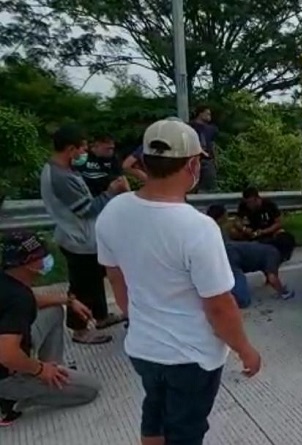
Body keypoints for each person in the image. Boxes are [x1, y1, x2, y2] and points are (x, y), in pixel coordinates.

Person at [95, 118, 262, 445]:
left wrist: (140, 320)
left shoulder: (114, 211)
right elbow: (219, 306)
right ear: (192, 164)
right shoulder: (197, 228)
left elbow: (116, 279)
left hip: (143, 349)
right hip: (191, 358)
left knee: (154, 412)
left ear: (145, 161)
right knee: (185, 430)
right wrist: (245, 349)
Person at [0, 232, 101, 426]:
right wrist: (39, 370)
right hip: (6, 374)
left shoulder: (8, 283)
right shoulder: (18, 299)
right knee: (90, 390)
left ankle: (54, 370)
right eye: (40, 257)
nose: (45, 260)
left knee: (53, 311)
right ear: (26, 264)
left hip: (11, 355)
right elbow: (6, 353)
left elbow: (30, 301)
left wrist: (69, 301)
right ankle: (12, 401)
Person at [40, 124, 129, 345]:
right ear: (70, 149)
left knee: (96, 278)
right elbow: (85, 209)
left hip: (85, 237)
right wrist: (111, 192)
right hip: (77, 239)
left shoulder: (64, 169)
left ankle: (101, 316)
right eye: (82, 149)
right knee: (82, 286)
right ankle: (79, 329)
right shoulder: (61, 177)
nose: (84, 154)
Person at [206, 204, 295, 306]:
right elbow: (272, 276)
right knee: (243, 300)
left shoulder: (266, 248)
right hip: (233, 255)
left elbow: (268, 270)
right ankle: (222, 300)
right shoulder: (273, 253)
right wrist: (283, 292)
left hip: (232, 250)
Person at [235, 186, 296, 261]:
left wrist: (264, 231)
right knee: (234, 232)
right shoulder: (243, 206)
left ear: (257, 199)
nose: (248, 205)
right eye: (247, 203)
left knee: (286, 237)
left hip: (269, 231)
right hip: (252, 233)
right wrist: (244, 229)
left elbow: (278, 223)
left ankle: (282, 255)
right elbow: (237, 221)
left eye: (250, 203)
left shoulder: (269, 205)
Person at [190, 105, 219, 193]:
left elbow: (212, 144)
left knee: (210, 184)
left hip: (207, 159)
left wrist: (215, 159)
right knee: (193, 184)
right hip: (194, 158)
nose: (209, 116)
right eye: (207, 114)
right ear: (200, 114)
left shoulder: (211, 129)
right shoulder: (191, 126)